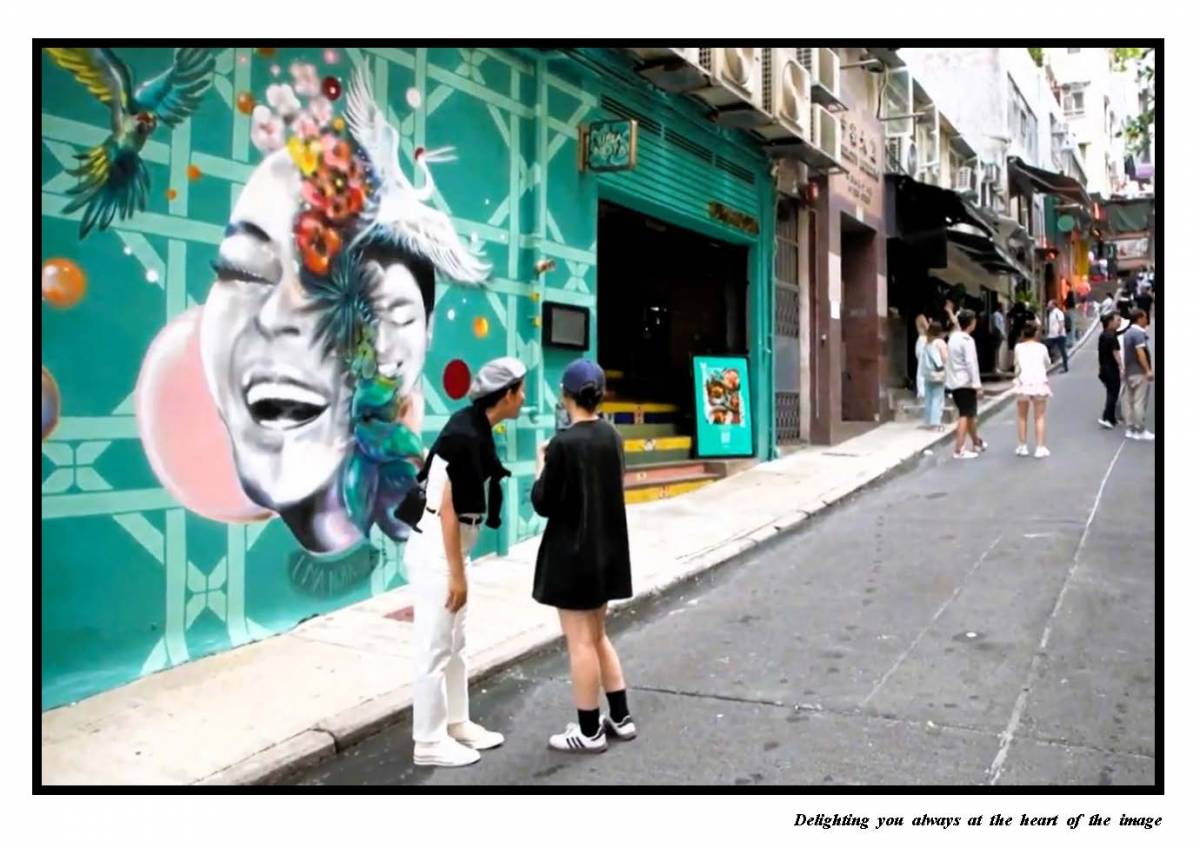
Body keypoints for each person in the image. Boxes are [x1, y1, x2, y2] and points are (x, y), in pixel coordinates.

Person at [408, 357, 526, 767]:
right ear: (506, 395)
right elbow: (445, 506)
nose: (523, 399)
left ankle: (455, 722)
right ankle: (428, 740)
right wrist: (457, 573)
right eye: (520, 391)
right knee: (434, 646)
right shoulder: (464, 434)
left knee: (456, 644)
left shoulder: (477, 427)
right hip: (438, 551)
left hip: (454, 549)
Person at [531, 359, 635, 754]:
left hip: (573, 557)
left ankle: (589, 730)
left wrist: (541, 465)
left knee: (580, 643)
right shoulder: (613, 436)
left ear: (566, 395)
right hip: (606, 552)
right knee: (598, 634)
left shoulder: (563, 444)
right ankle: (620, 717)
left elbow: (543, 502)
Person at [946, 309, 986, 459]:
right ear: (971, 323)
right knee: (965, 414)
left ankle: (976, 442)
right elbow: (971, 364)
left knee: (969, 414)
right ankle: (959, 449)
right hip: (965, 382)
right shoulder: (967, 341)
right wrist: (977, 385)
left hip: (954, 382)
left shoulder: (952, 338)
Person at [1012, 323, 1053, 458]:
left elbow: (1016, 364)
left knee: (1022, 416)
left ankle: (1022, 446)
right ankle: (1040, 447)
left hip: (1023, 382)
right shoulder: (1042, 348)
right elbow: (1048, 363)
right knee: (1039, 416)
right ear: (1036, 333)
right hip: (1039, 382)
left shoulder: (1018, 347)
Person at [1122, 309, 1155, 441]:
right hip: (1139, 372)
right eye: (1145, 317)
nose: (1147, 320)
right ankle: (1140, 429)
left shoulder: (1127, 333)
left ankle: (1130, 428)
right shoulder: (1139, 334)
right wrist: (1147, 370)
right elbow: (1140, 352)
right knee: (1139, 401)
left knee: (1129, 401)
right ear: (1139, 319)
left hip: (1129, 371)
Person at [921, 321, 949, 431]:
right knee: (937, 399)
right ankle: (935, 423)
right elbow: (945, 358)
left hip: (928, 374)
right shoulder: (940, 342)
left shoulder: (927, 342)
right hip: (938, 374)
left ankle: (928, 422)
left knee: (928, 398)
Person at [1097, 312, 1122, 430]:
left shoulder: (1103, 335)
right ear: (1110, 322)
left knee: (1111, 392)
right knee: (1113, 393)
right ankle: (1106, 418)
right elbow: (1116, 353)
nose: (1119, 322)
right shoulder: (1111, 336)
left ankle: (1111, 418)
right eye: (1117, 320)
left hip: (1104, 368)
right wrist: (1121, 366)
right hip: (1111, 368)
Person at [1045, 300, 1069, 372]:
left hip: (1059, 335)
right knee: (1047, 347)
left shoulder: (1058, 312)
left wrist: (1060, 331)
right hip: (1052, 335)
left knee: (1062, 350)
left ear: (1053, 305)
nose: (1048, 305)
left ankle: (1065, 367)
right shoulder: (1050, 313)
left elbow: (1061, 322)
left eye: (1049, 304)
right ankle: (1051, 361)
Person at [914, 314, 930, 401]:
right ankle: (921, 392)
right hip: (923, 341)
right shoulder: (921, 317)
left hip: (923, 341)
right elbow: (928, 330)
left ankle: (924, 391)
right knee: (921, 368)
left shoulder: (921, 318)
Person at [991, 305, 1006, 372]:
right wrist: (1002, 334)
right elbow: (997, 326)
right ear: (999, 307)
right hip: (998, 334)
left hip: (999, 334)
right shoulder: (996, 315)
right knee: (996, 351)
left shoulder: (999, 315)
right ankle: (996, 367)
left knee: (997, 350)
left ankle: (997, 366)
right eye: (1002, 307)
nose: (1003, 308)